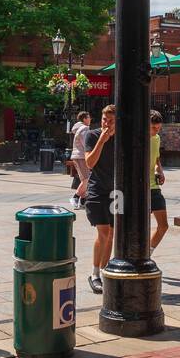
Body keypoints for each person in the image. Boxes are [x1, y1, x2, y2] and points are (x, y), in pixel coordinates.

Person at [83, 105, 117, 294]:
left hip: (115, 191)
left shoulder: (121, 138)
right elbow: (89, 163)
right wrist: (102, 141)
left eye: (111, 121)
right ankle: (95, 274)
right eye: (104, 120)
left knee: (112, 233)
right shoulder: (93, 136)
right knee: (103, 232)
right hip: (97, 189)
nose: (106, 124)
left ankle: (105, 271)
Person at [149, 111, 168, 251]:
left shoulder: (156, 138)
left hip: (154, 186)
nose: (156, 131)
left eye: (159, 128)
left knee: (163, 225)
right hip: (139, 189)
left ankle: (148, 252)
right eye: (154, 128)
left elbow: (156, 159)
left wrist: (159, 170)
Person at [69, 111, 91, 209]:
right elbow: (86, 144)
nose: (90, 119)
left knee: (84, 180)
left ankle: (82, 201)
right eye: (89, 117)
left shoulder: (79, 128)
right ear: (84, 119)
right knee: (86, 179)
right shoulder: (84, 128)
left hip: (78, 156)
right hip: (81, 156)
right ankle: (75, 197)